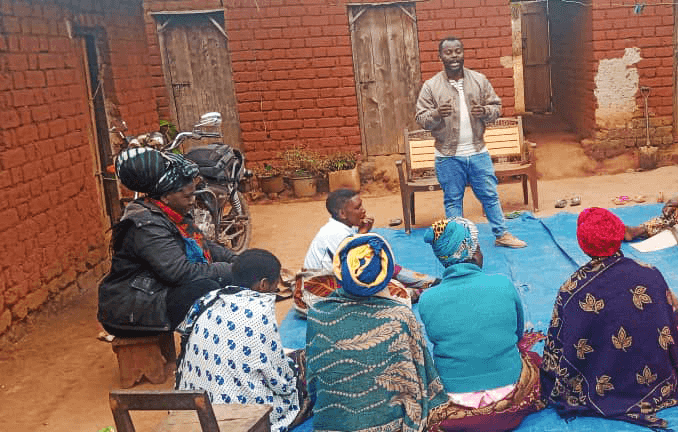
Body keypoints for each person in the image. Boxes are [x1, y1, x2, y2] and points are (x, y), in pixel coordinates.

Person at [541, 208, 678, 429]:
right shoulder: (651, 274)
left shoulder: (572, 290)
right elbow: (669, 329)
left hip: (594, 389)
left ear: (583, 243)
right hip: (655, 384)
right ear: (620, 236)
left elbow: (557, 347)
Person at [306, 233, 449, 432]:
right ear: (386, 275)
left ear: (340, 271)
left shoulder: (317, 314)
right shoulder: (400, 317)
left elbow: (313, 380)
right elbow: (421, 374)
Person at [418, 218, 544, 431]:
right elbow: (517, 334)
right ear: (474, 251)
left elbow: (437, 338)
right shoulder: (502, 284)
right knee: (533, 359)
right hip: (509, 391)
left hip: (455, 396)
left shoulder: (427, 299)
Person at [98, 147, 236, 337]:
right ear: (165, 196)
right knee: (207, 291)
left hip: (154, 294)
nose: (192, 201)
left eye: (193, 194)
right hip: (130, 309)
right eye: (187, 196)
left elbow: (203, 245)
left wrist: (238, 260)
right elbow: (180, 273)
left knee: (218, 283)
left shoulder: (170, 213)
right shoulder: (146, 226)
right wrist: (231, 270)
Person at [176, 249, 310, 432]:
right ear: (263, 285)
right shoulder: (258, 312)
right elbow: (278, 379)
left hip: (197, 408)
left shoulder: (209, 299)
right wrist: (296, 378)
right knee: (305, 378)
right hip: (237, 415)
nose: (274, 292)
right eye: (274, 286)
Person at [415, 36, 526, 249]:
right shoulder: (431, 86)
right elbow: (421, 119)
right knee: (453, 200)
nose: (454, 56)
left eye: (458, 51)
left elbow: (496, 108)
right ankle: (459, 243)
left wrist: (485, 111)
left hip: (478, 151)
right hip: (447, 156)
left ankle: (501, 234)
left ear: (463, 53)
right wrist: (437, 113)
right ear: (440, 57)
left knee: (490, 195)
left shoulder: (479, 80)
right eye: (448, 52)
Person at [299, 189, 437, 312]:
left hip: (331, 281)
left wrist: (362, 233)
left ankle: (430, 283)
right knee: (389, 288)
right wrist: (363, 234)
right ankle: (426, 288)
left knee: (385, 269)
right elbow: (358, 269)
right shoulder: (335, 233)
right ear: (342, 213)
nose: (363, 210)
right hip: (316, 294)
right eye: (358, 207)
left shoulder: (341, 228)